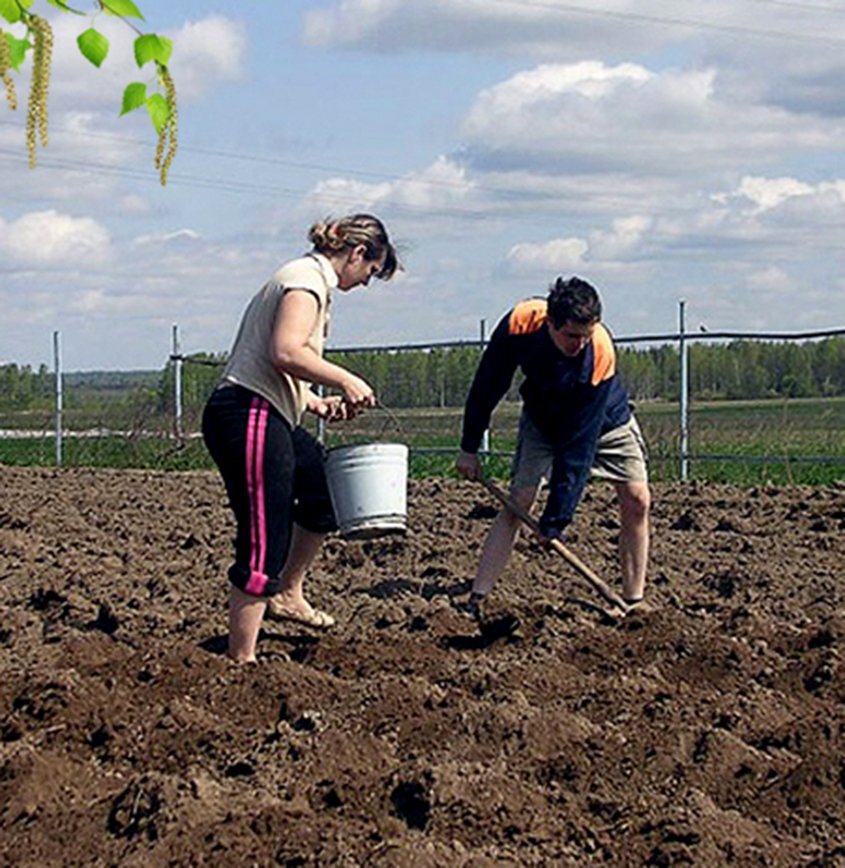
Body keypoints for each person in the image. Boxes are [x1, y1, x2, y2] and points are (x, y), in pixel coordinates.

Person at [202, 214, 400, 663]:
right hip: (246, 413)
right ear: (356, 253)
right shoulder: (305, 281)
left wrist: (313, 402)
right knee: (263, 535)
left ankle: (288, 594)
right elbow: (285, 351)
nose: (366, 283)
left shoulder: (311, 283)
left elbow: (275, 364)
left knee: (323, 493)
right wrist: (345, 380)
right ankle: (242, 660)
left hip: (271, 411)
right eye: (370, 271)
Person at [455, 276, 650, 619]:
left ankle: (633, 600)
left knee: (637, 499)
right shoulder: (519, 324)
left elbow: (578, 449)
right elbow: (488, 386)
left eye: (586, 335)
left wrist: (554, 522)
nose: (579, 343)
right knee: (519, 502)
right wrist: (469, 447)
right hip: (542, 420)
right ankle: (477, 597)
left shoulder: (599, 354)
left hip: (603, 423)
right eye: (571, 335)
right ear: (550, 323)